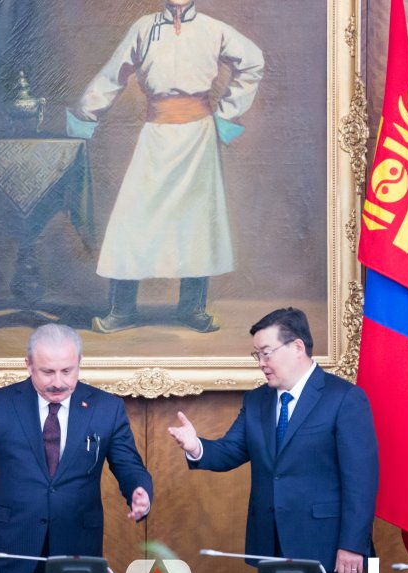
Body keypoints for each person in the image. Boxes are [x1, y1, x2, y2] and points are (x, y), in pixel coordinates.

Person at [67, 1, 265, 334]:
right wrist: (86, 114)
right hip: (156, 136)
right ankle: (122, 310)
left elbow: (253, 60)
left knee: (197, 224)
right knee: (132, 220)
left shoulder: (213, 29)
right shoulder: (144, 28)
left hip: (199, 139)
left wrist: (228, 113)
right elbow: (113, 74)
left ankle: (191, 309)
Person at [0, 324, 153, 573]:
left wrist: (140, 491)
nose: (58, 382)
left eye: (67, 371)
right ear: (28, 365)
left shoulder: (107, 408)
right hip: (8, 549)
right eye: (47, 372)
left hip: (76, 551)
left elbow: (129, 465)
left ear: (79, 363)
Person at [167, 307, 378, 573]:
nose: (261, 363)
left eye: (266, 353)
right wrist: (196, 447)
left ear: (297, 347)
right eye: (257, 355)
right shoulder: (257, 400)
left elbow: (361, 482)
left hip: (328, 549)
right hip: (270, 546)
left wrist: (352, 544)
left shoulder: (344, 398)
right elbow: (231, 449)